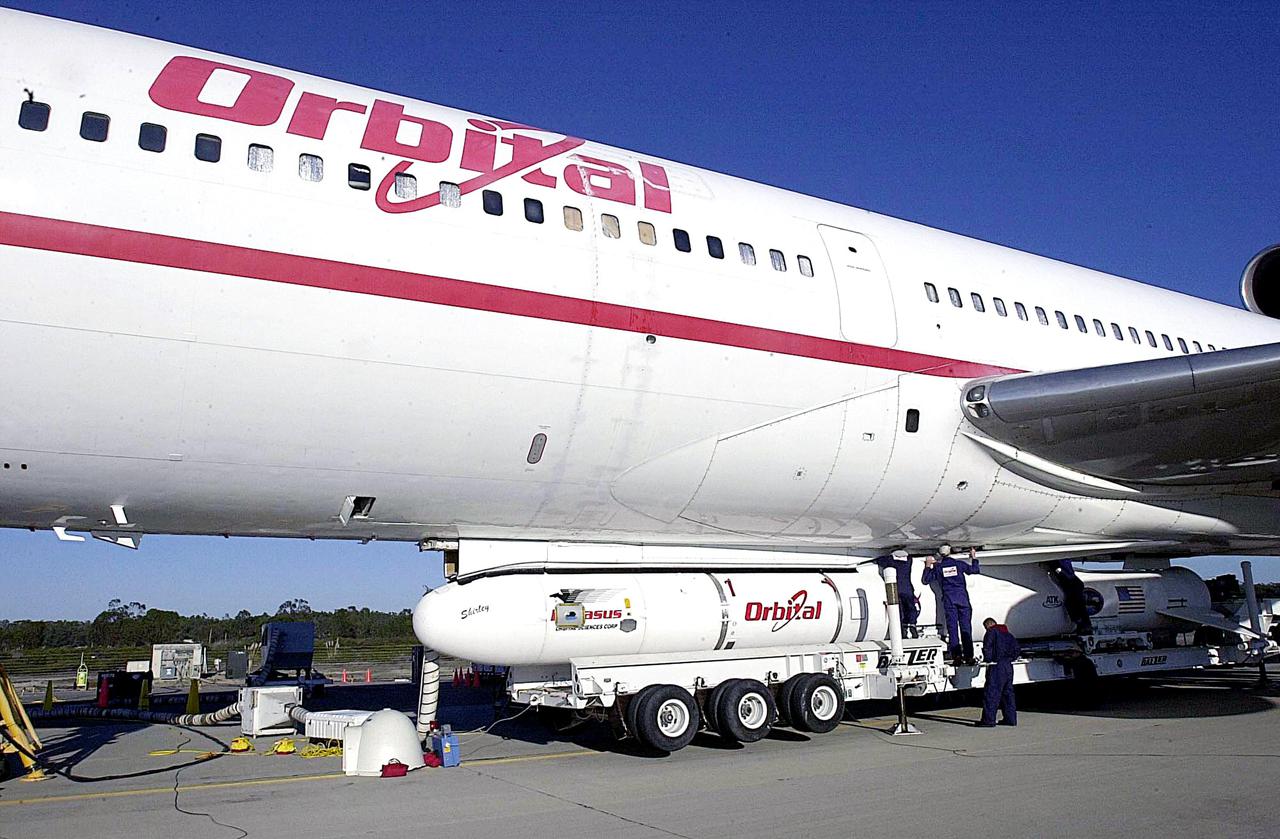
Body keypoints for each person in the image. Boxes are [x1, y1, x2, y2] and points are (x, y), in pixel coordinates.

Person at [922, 545, 980, 665]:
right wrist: (973, 557)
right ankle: (969, 656)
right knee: (966, 629)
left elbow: (925, 579)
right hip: (962, 599)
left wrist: (928, 565)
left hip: (949, 600)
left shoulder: (939, 567)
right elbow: (975, 570)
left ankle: (957, 656)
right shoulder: (959, 564)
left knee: (952, 629)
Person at [977, 617, 1020, 726]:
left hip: (997, 665)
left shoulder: (992, 632)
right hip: (1008, 666)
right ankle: (1011, 719)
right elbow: (1016, 650)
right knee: (1008, 694)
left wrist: (988, 659)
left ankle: (988, 720)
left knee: (992, 693)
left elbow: (988, 648)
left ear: (988, 625)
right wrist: (1010, 659)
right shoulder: (1008, 634)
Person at [873, 549, 919, 637]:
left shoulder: (891, 562)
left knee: (899, 610)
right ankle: (912, 625)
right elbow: (909, 556)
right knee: (910, 608)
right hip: (908, 590)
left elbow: (880, 560)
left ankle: (902, 629)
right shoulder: (909, 561)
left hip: (897, 590)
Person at [1049, 559, 1093, 635]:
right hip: (1069, 579)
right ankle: (1083, 623)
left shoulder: (1061, 561)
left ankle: (1082, 623)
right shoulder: (1062, 560)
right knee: (1075, 601)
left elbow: (1061, 570)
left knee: (1074, 601)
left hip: (1069, 579)